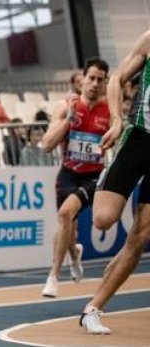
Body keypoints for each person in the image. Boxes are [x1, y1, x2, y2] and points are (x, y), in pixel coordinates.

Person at [79, 33, 150, 335]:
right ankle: (109, 172)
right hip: (137, 137)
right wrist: (116, 119)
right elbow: (117, 77)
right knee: (103, 219)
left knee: (140, 236)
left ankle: (92, 309)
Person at [39, 58, 111, 298]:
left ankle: (53, 277)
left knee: (64, 214)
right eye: (91, 78)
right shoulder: (66, 106)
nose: (94, 84)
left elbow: (119, 142)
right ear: (82, 79)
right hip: (68, 174)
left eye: (100, 80)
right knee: (67, 225)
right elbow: (47, 145)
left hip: (93, 177)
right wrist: (69, 119)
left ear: (105, 83)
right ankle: (74, 255)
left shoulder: (110, 110)